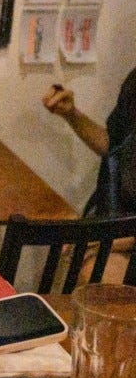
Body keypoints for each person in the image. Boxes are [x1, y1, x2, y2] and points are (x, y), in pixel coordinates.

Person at [42, 72, 136, 281]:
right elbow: (114, 146)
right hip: (116, 222)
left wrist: (104, 239)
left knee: (96, 273)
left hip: (124, 234)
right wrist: (71, 114)